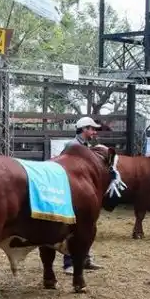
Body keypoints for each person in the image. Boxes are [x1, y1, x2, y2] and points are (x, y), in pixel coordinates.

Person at [58, 116, 104, 273]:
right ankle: (69, 263)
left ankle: (85, 259)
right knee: (73, 227)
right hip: (73, 191)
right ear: (84, 129)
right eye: (91, 128)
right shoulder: (73, 146)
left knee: (86, 226)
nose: (94, 132)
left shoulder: (85, 145)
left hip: (80, 190)